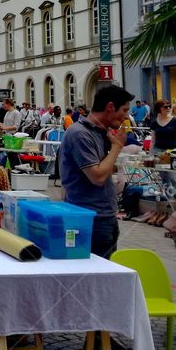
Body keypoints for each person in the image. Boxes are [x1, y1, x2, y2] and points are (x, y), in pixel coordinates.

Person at [59, 84, 133, 258]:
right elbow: (97, 177)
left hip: (103, 216)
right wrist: (117, 147)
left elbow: (103, 169)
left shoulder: (101, 132)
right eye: (124, 110)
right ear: (110, 107)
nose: (127, 116)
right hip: (89, 218)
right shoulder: (80, 134)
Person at [150, 99, 176, 208]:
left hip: (172, 152)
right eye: (165, 107)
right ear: (159, 109)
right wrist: (150, 155)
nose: (168, 108)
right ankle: (170, 202)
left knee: (175, 178)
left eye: (169, 106)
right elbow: (153, 140)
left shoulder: (175, 121)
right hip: (159, 152)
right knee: (164, 179)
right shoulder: (155, 123)